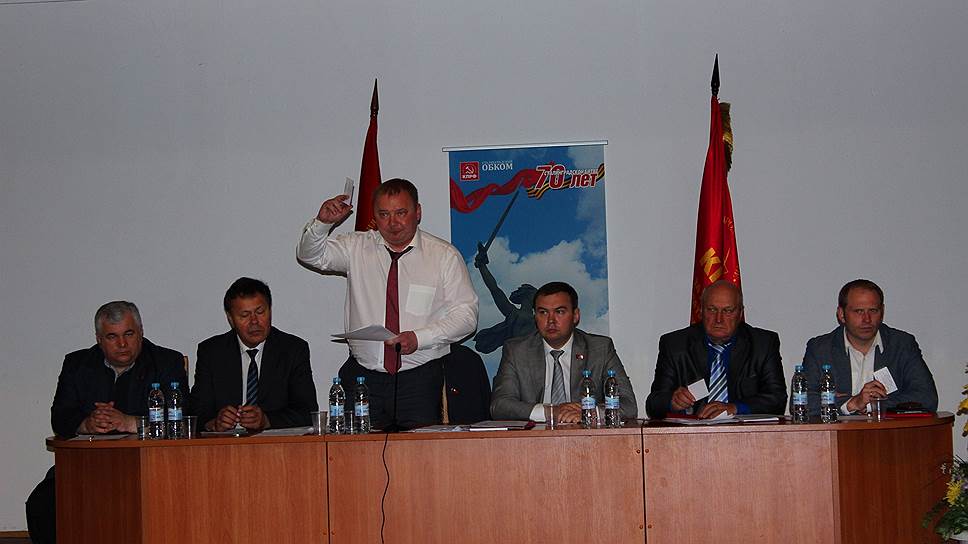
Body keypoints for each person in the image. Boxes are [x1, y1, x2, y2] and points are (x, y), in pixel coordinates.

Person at [297, 178, 479, 430]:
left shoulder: (443, 256)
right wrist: (322, 224)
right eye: (383, 214)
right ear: (374, 216)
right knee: (359, 451)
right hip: (363, 377)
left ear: (418, 212)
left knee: (418, 451)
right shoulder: (356, 247)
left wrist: (419, 338)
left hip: (419, 378)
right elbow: (310, 255)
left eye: (401, 213)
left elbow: (467, 316)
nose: (393, 223)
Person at [26, 301, 187, 544]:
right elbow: (60, 416)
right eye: (112, 337)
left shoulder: (166, 361)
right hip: (87, 464)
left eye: (129, 334)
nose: (122, 344)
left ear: (141, 332)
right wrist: (86, 424)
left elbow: (183, 418)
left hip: (148, 464)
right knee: (43, 501)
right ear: (99, 339)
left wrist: (130, 422)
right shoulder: (77, 364)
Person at [490, 281, 637, 423]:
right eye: (543, 312)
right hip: (536, 435)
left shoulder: (600, 349)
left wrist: (589, 412)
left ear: (575, 315)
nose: (551, 320)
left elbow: (628, 405)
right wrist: (550, 412)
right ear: (535, 316)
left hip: (586, 435)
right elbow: (500, 406)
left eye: (559, 312)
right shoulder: (517, 351)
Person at [191, 277, 318, 431]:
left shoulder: (293, 350)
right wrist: (214, 423)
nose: (254, 322)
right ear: (230, 318)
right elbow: (195, 413)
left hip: (276, 443)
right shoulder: (211, 352)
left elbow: (307, 412)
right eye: (244, 315)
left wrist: (267, 420)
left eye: (260, 312)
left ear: (270, 310)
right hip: (227, 443)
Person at [646, 280, 787, 419]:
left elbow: (777, 399)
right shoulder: (675, 345)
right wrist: (671, 402)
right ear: (701, 311)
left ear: (740, 313)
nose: (719, 319)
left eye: (728, 311)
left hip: (745, 432)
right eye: (712, 310)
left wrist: (735, 408)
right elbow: (653, 404)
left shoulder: (763, 344)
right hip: (693, 432)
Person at [801, 279, 938, 415]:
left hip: (888, 429)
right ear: (841, 314)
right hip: (839, 429)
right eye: (859, 311)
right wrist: (852, 403)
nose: (867, 319)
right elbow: (802, 403)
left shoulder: (902, 345)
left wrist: (872, 404)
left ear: (882, 312)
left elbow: (927, 398)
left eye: (873, 310)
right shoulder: (820, 349)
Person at [472, 241, 537, 354]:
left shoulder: (540, 321)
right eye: (535, 295)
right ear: (526, 296)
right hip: (514, 357)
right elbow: (494, 289)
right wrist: (482, 266)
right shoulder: (514, 313)